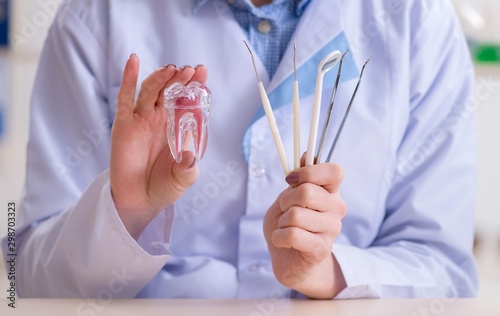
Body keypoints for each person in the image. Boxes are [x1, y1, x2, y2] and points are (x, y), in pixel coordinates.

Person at [5, 0, 478, 299]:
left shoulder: (417, 19)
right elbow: (25, 278)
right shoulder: (96, 15)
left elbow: (445, 275)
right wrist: (123, 213)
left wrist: (326, 272)